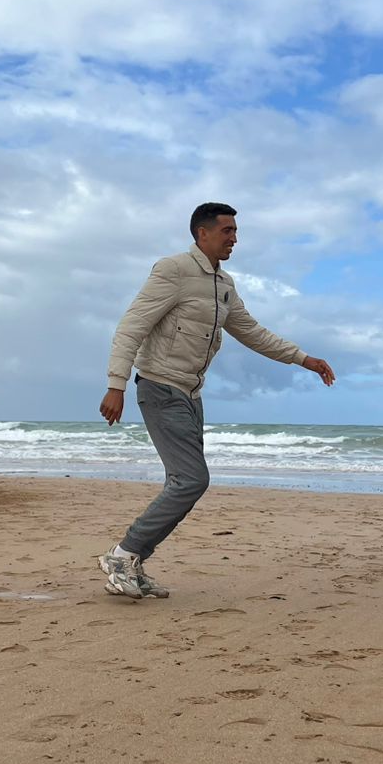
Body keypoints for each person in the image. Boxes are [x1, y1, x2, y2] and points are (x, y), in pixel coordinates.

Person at [98, 203, 336, 599]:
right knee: (192, 480)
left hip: (191, 394)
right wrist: (115, 384)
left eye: (235, 231)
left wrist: (303, 359)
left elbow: (252, 331)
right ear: (202, 233)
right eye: (227, 230)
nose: (234, 238)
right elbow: (132, 325)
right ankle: (124, 554)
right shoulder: (172, 270)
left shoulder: (224, 284)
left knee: (185, 483)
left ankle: (133, 562)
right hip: (159, 386)